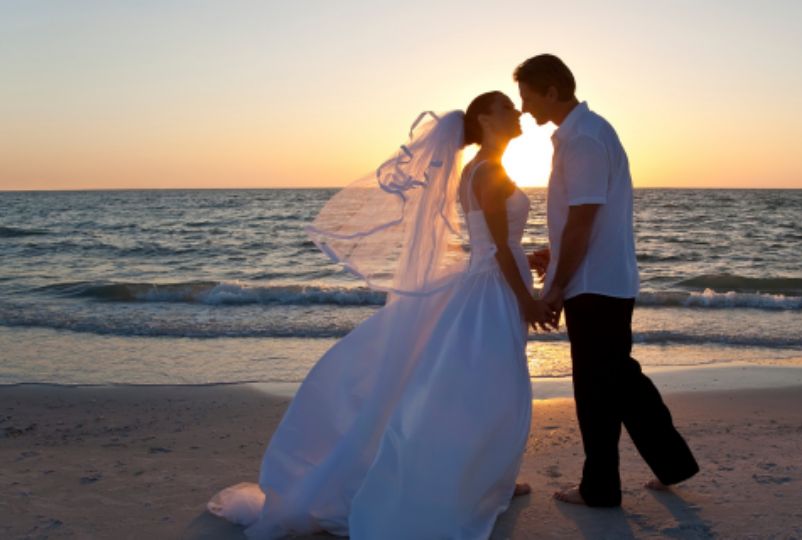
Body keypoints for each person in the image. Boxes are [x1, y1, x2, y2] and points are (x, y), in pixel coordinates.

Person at [206, 91, 549, 539]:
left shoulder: (477, 169)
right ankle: (472, 484)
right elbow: (500, 246)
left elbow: (495, 242)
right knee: (493, 387)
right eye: (506, 107)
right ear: (485, 118)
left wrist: (531, 255)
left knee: (487, 385)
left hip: (488, 282)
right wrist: (528, 299)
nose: (517, 113)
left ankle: (490, 480)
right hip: (495, 290)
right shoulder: (490, 172)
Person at [514, 54, 700, 507]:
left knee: (598, 389)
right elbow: (584, 223)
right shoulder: (586, 133)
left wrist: (556, 286)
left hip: (595, 284)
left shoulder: (584, 140)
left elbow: (583, 221)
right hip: (604, 277)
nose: (525, 108)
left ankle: (600, 488)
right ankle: (671, 463)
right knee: (619, 379)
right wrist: (555, 254)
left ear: (552, 91)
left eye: (528, 96)